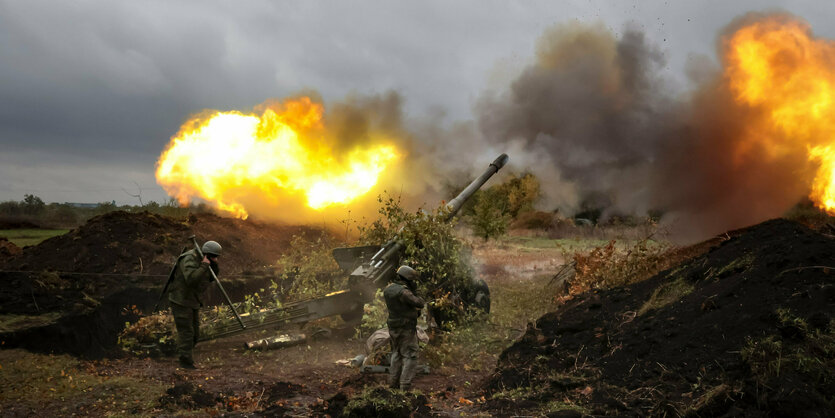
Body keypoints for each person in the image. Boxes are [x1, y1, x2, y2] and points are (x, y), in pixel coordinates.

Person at [168, 240, 221, 369]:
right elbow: (191, 279)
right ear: (206, 254)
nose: (215, 258)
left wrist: (213, 265)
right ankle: (186, 363)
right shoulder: (189, 258)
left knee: (195, 334)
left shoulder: (205, 260)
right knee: (187, 332)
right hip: (181, 300)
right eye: (213, 256)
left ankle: (184, 353)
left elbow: (209, 278)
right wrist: (204, 266)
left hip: (193, 300)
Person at [383, 265, 425, 390]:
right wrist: (417, 292)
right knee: (410, 355)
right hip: (405, 327)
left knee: (396, 354)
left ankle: (393, 385)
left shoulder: (389, 289)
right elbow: (420, 303)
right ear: (407, 279)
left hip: (393, 327)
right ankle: (405, 387)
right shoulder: (404, 292)